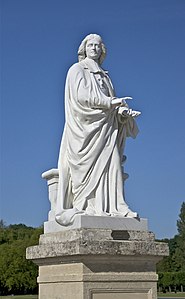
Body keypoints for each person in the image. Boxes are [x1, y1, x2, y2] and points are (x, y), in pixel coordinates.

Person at [55, 34, 141, 226]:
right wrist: (110, 102)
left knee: (113, 165)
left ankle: (117, 206)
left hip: (106, 128)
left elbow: (110, 103)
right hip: (85, 130)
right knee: (87, 171)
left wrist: (122, 111)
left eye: (98, 45)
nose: (94, 48)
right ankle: (87, 205)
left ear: (102, 50)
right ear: (84, 48)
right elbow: (81, 97)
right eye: (90, 45)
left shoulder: (105, 75)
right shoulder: (77, 70)